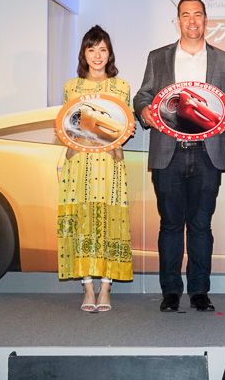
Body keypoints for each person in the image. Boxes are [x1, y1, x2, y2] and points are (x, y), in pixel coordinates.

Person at [133, 0, 225, 312]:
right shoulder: (158, 57)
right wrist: (145, 112)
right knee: (170, 225)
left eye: (197, 15)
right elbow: (143, 95)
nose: (192, 21)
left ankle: (199, 291)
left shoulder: (224, 60)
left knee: (200, 225)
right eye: (185, 15)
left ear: (205, 20)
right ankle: (170, 292)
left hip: (207, 154)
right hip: (169, 153)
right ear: (178, 21)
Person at [57, 25, 133, 312]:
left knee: (110, 221)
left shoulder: (121, 87)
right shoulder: (72, 87)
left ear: (110, 53)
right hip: (79, 161)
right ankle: (88, 287)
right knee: (83, 219)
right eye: (92, 49)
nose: (97, 55)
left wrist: (122, 135)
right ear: (84, 54)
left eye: (102, 49)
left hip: (110, 162)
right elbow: (67, 126)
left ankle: (106, 288)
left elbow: (123, 126)